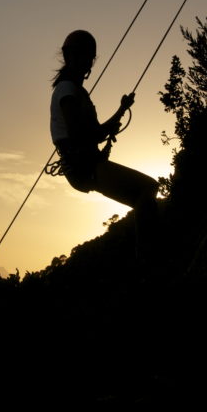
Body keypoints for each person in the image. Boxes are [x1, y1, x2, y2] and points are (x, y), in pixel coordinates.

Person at [50, 30, 158, 258]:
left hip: (84, 166)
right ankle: (148, 260)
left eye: (88, 57)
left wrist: (121, 109)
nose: (87, 62)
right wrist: (111, 121)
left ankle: (147, 258)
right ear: (71, 57)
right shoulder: (68, 91)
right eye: (84, 56)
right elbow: (82, 134)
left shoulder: (74, 91)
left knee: (142, 199)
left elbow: (94, 133)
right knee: (148, 188)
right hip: (85, 166)